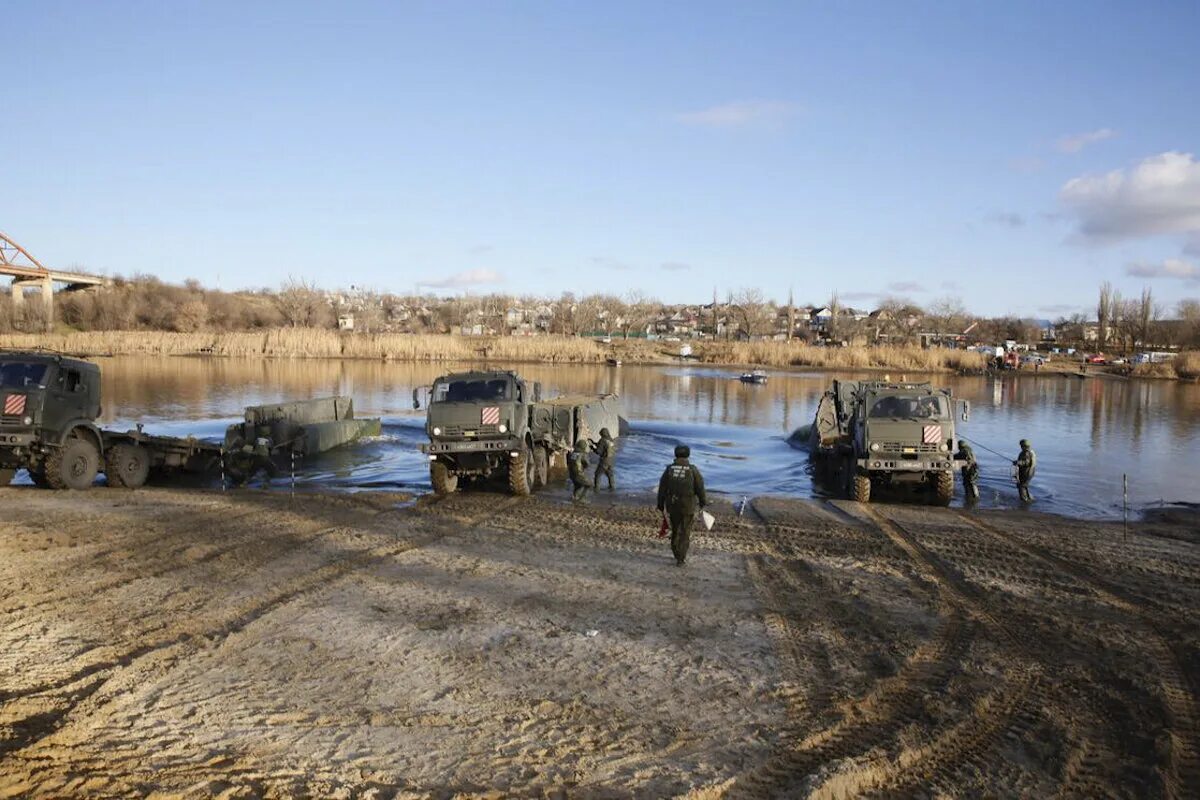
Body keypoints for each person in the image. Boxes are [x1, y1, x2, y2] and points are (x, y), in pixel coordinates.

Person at [656, 444, 707, 566]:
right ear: (688, 455)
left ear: (675, 454)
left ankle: (676, 552)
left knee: (675, 529)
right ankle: (681, 558)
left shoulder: (669, 469)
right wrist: (703, 502)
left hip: (672, 504)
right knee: (685, 531)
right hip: (688, 505)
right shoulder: (693, 469)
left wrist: (660, 504)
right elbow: (700, 487)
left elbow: (662, 488)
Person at [1013, 439, 1036, 503]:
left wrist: (1017, 462)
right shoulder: (1031, 451)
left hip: (1026, 472)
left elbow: (1026, 462)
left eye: (1021, 445)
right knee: (1024, 486)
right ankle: (1029, 498)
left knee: (1021, 486)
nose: (1021, 447)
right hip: (1030, 472)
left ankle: (1025, 501)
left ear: (1024, 446)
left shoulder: (1026, 453)